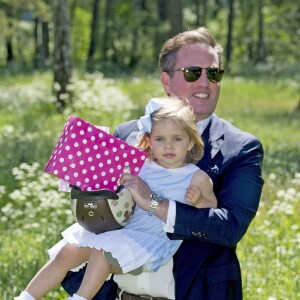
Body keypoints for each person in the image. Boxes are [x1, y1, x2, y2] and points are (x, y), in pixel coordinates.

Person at [62, 26, 264, 300]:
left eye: (213, 73)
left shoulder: (240, 147)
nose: (205, 82)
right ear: (166, 81)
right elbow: (100, 215)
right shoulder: (127, 135)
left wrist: (154, 203)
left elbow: (229, 228)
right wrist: (81, 181)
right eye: (193, 72)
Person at [15, 97, 217, 300]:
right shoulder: (143, 166)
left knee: (101, 252)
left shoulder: (195, 177)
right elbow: (113, 183)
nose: (168, 146)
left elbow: (212, 213)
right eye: (160, 139)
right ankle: (25, 297)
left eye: (177, 139)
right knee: (68, 250)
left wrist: (199, 201)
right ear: (149, 141)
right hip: (121, 229)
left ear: (191, 142)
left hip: (149, 240)